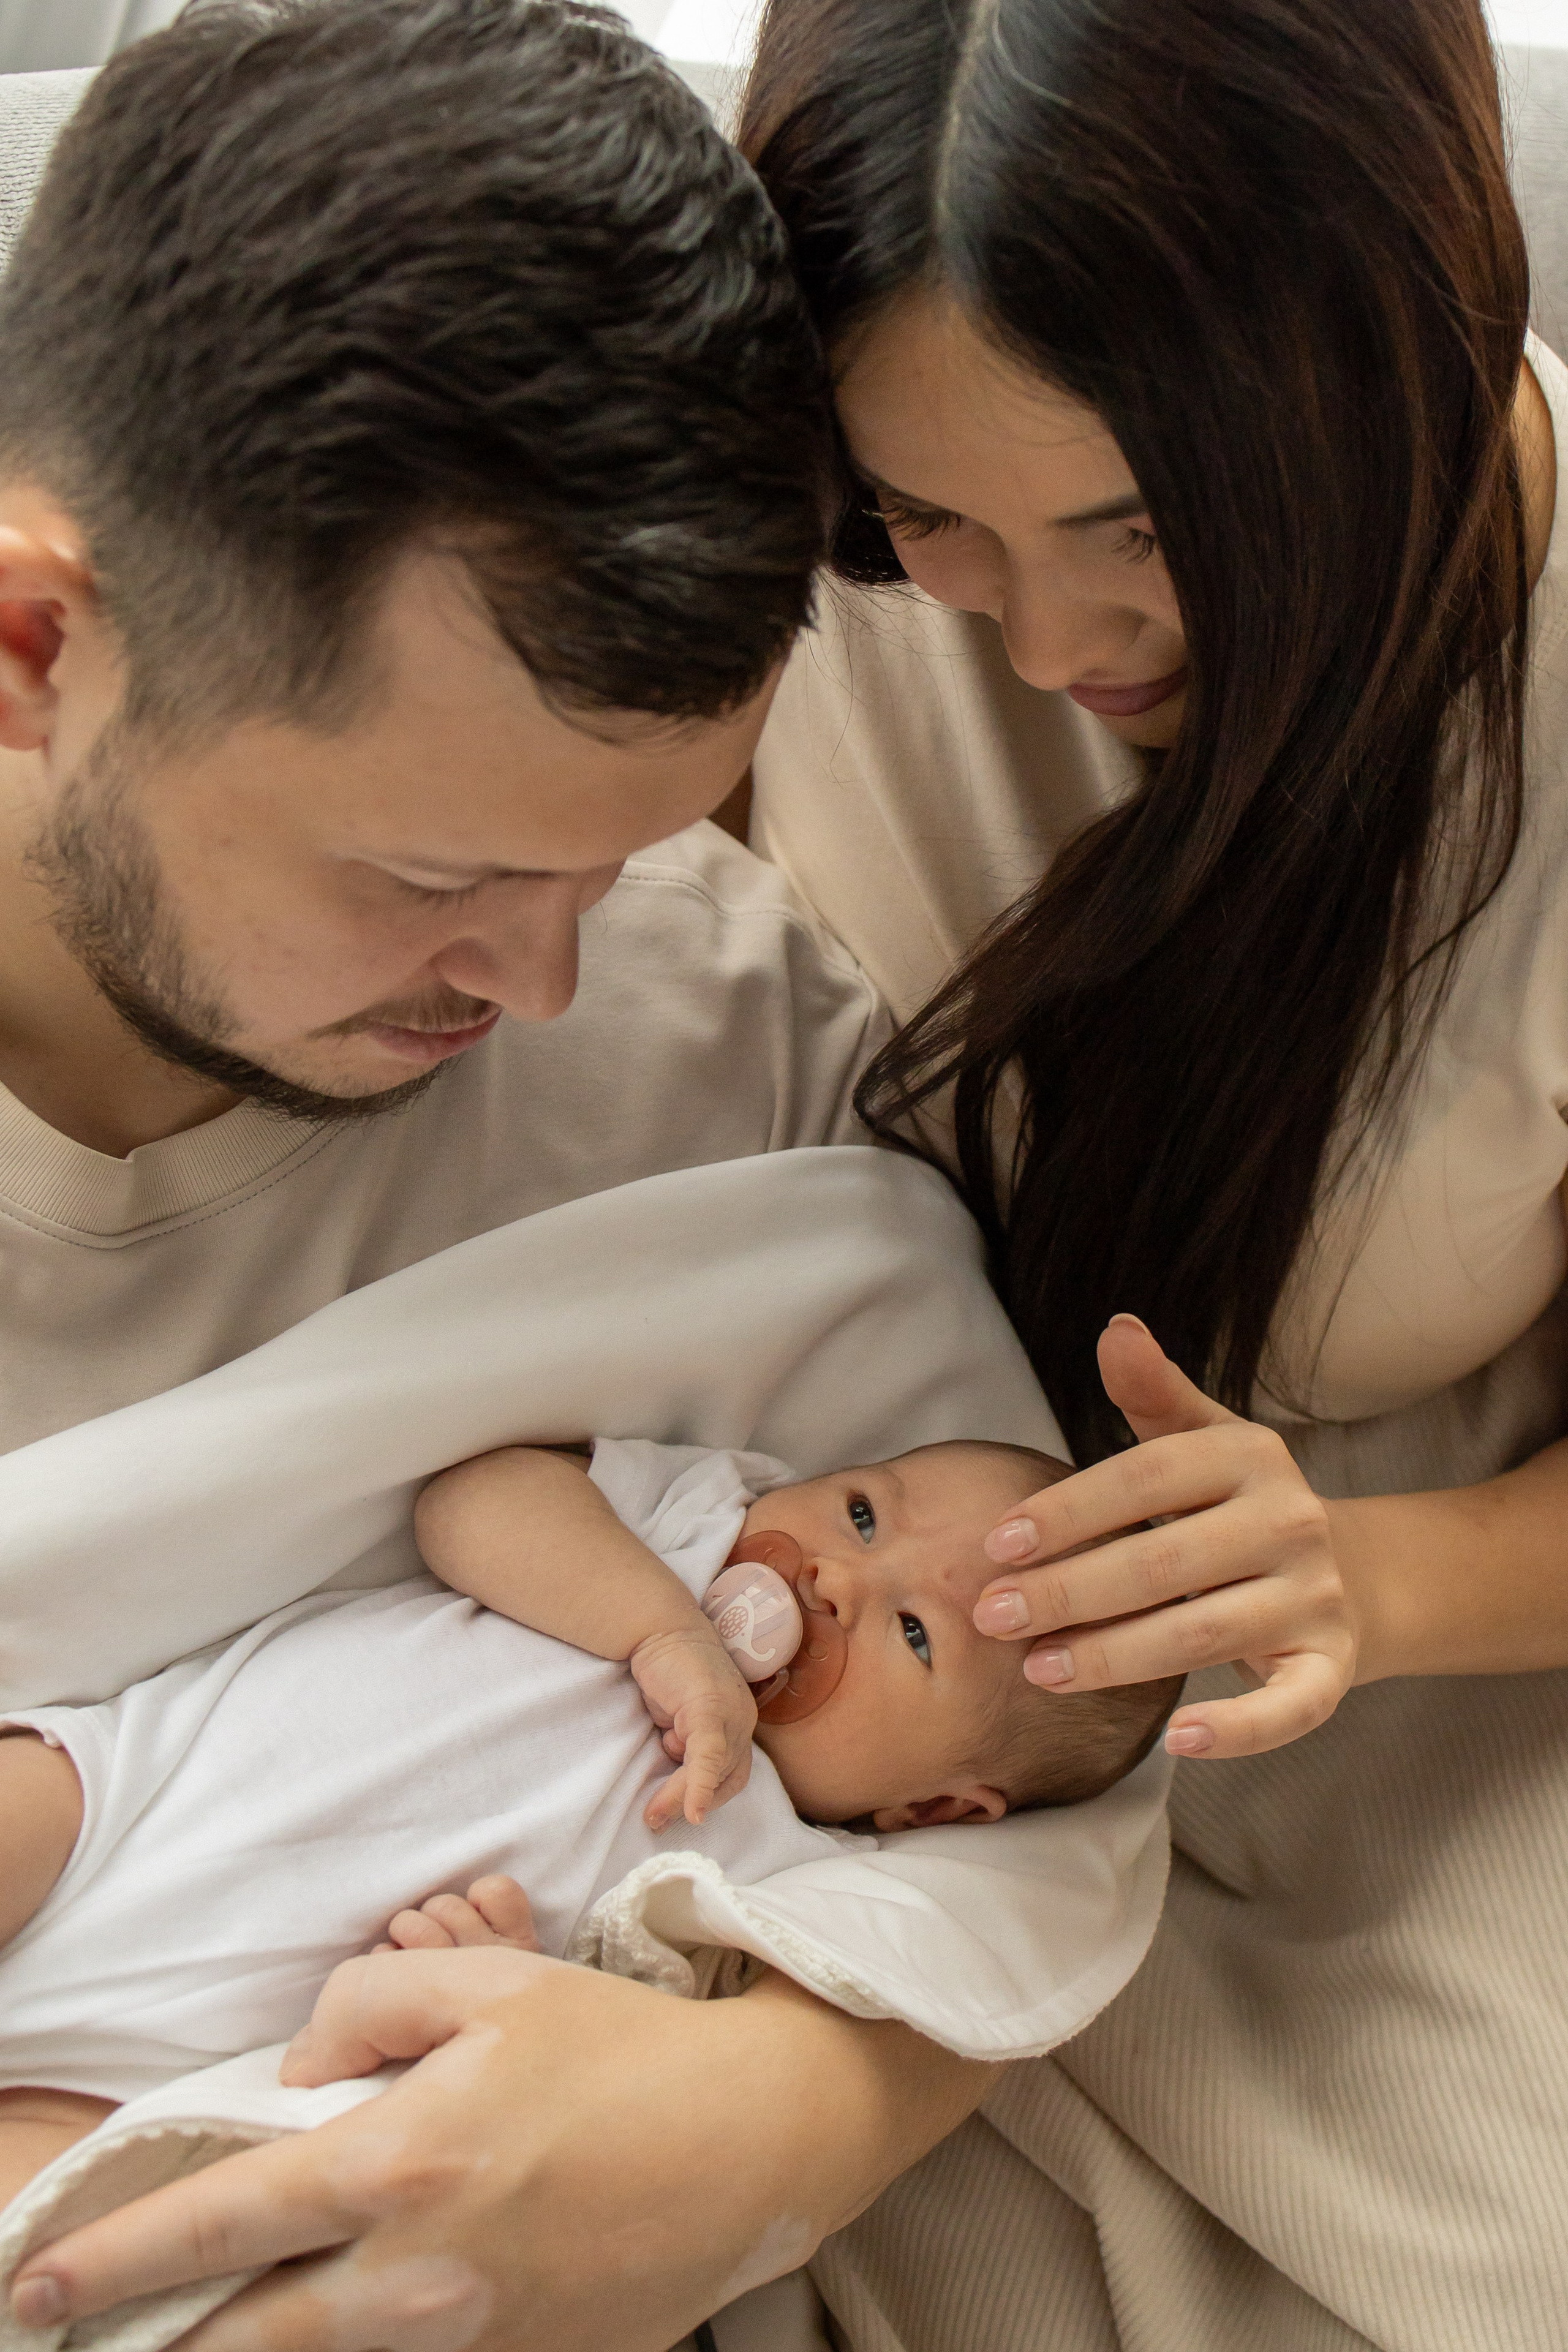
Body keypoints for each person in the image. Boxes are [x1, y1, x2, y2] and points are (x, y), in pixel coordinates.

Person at [0, 4, 1008, 2347]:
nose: (544, 985)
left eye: (624, 852)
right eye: (438, 874)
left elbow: (1021, 1766)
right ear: (35, 647)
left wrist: (793, 2110)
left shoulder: (749, 1069)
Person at [726, 0, 1568, 2343]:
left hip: (1384, 1667)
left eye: (1150, 525)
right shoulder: (804, 533)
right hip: (784, 1583)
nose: (1052, 641)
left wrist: (1353, 1584)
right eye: (931, 521)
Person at [0, 1436, 1176, 2209]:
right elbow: (470, 1500)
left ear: (930, 1807)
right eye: (863, 1513)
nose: (838, 1579)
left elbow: (618, 2045)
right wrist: (657, 1628)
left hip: (171, 2070)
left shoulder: (783, 1880)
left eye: (915, 1635)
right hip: (123, 1794)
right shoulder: (686, 1525)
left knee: (63, 2209)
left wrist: (498, 1986)